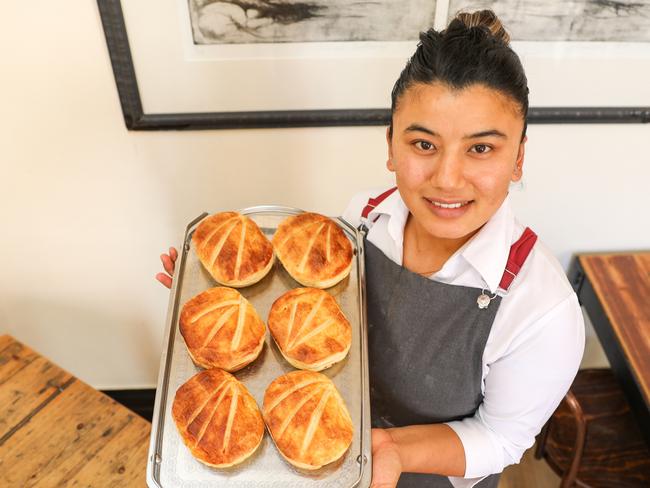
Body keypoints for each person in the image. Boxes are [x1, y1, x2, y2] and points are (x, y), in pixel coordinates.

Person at [156, 10, 584, 488]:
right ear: (390, 144)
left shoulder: (543, 310)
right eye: (424, 144)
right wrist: (209, 299)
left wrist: (390, 450)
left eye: (481, 149)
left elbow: (501, 438)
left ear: (519, 157)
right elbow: (320, 310)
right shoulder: (362, 217)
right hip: (310, 447)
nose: (446, 178)